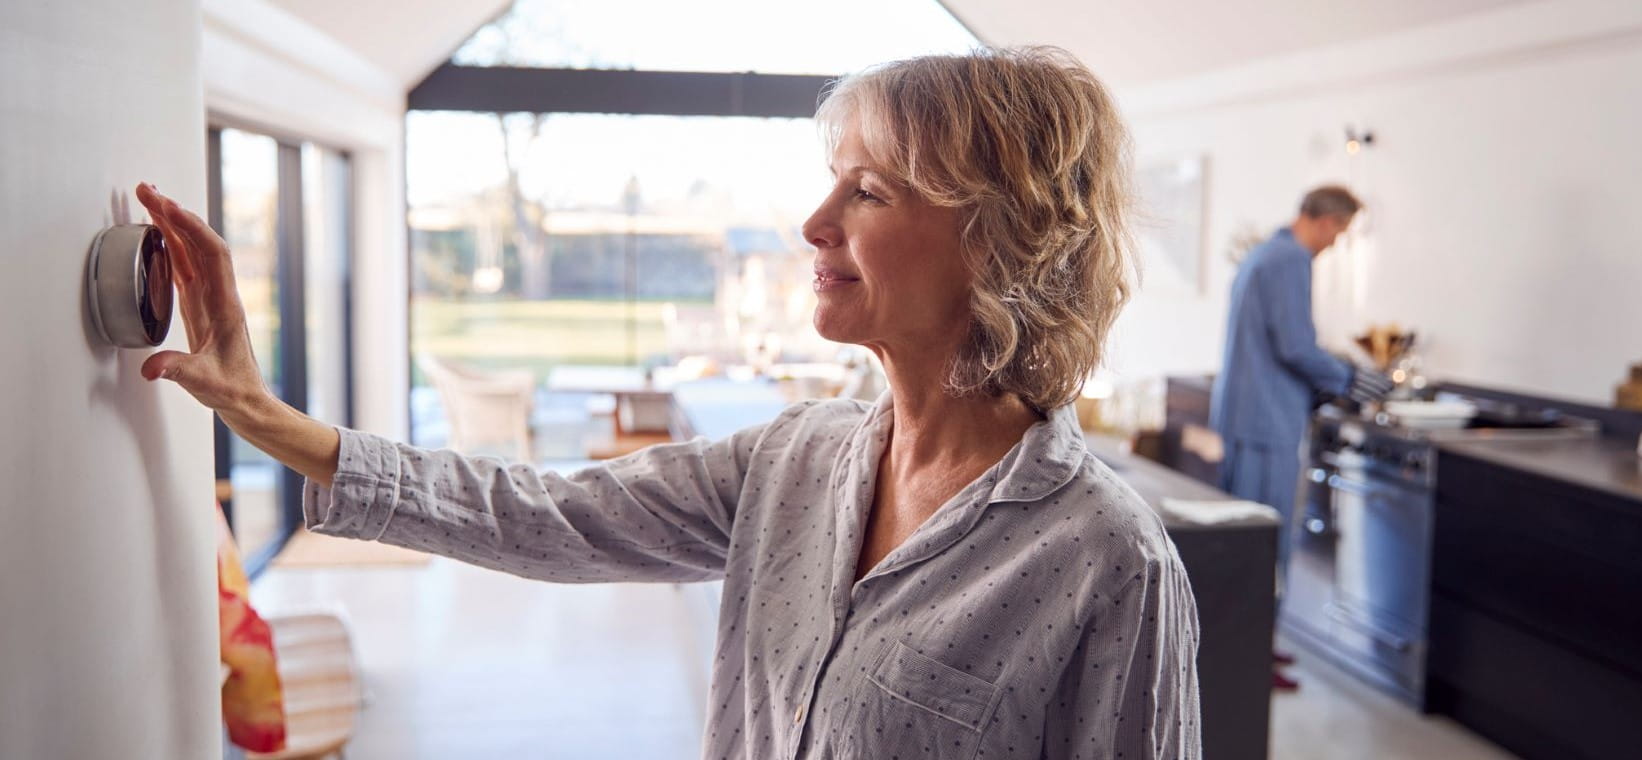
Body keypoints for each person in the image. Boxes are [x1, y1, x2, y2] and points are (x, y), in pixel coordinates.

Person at [137, 46, 1200, 759]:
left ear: (997, 241)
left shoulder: (1107, 564)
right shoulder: (796, 459)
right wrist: (270, 419)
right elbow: (542, 514)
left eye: (867, 192)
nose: (812, 221)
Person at [1209, 185, 1391, 690]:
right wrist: (1351, 378)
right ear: (1329, 222)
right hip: (1266, 423)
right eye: (1341, 233)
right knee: (1264, 545)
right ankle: (1247, 661)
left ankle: (1252, 649)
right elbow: (1294, 345)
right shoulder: (1290, 260)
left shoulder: (1263, 255)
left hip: (1246, 417)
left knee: (1248, 540)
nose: (1337, 245)